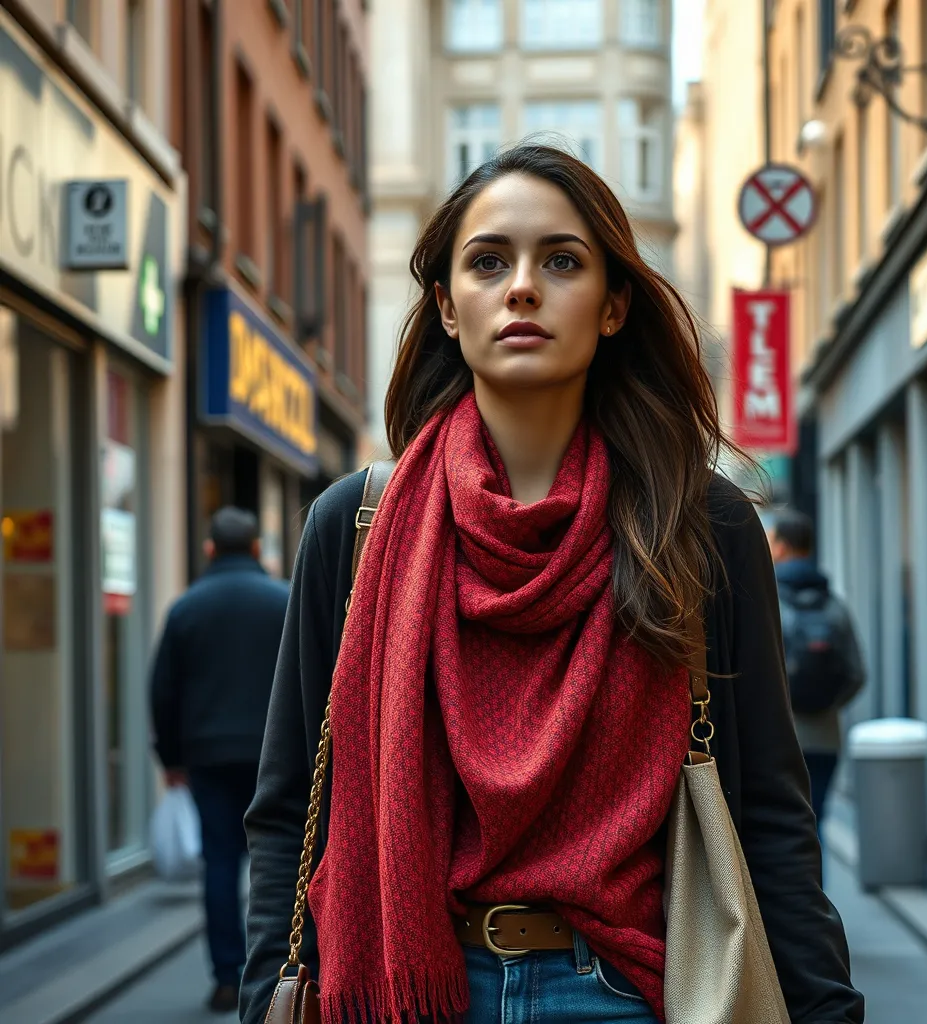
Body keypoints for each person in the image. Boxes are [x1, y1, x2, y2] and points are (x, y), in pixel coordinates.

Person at [241, 145, 864, 1024]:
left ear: (613, 308)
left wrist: (827, 1009)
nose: (522, 287)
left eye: (561, 261)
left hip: (633, 992)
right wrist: (265, 994)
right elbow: (287, 811)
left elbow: (767, 810)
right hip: (403, 988)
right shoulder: (354, 526)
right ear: (447, 308)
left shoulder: (701, 524)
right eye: (488, 261)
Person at [150, 506, 290, 1014]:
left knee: (220, 863)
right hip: (276, 756)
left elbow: (162, 690)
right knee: (280, 861)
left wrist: (170, 757)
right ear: (256, 549)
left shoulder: (187, 608)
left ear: (210, 549)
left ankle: (227, 976)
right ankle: (280, 971)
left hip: (207, 758)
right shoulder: (284, 600)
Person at [769, 509, 866, 838]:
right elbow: (856, 674)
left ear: (781, 547)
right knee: (816, 824)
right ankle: (818, 889)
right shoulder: (834, 605)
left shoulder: (767, 603)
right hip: (826, 737)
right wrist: (825, 704)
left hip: (780, 737)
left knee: (782, 830)